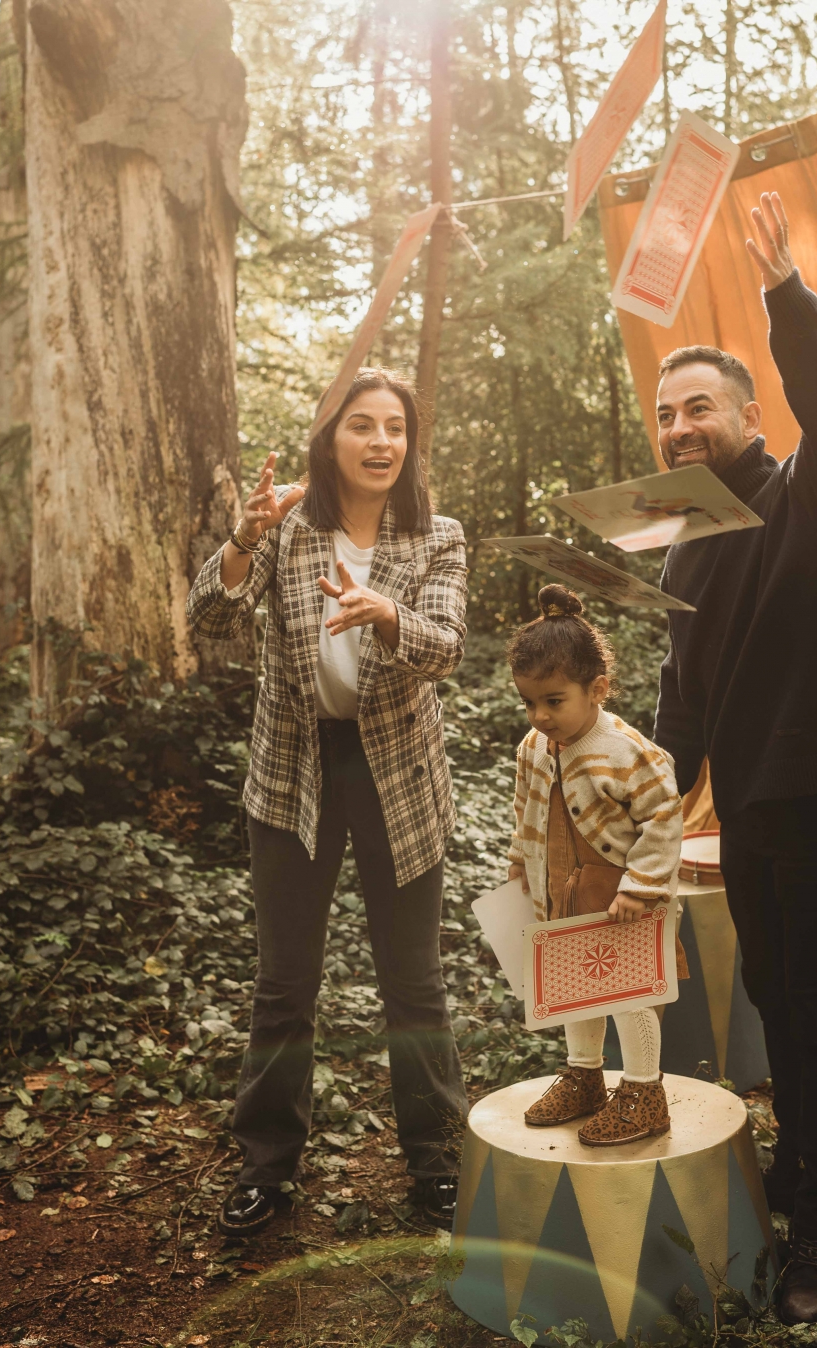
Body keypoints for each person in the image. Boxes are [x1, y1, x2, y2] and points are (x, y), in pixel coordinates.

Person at [186, 368, 469, 1236]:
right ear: (331, 438)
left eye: (395, 427)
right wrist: (241, 539)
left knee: (413, 984)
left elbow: (448, 648)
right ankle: (267, 1166)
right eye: (363, 426)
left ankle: (437, 1162)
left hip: (398, 775)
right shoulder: (287, 528)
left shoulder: (439, 537)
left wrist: (387, 613)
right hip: (292, 771)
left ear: (410, 444)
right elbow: (209, 620)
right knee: (284, 985)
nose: (382, 441)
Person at [653, 193, 817, 1326]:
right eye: (666, 413)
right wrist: (639, 808)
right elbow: (684, 698)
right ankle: (808, 1174)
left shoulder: (802, 495)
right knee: (782, 1005)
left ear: (749, 412)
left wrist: (785, 300)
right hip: (752, 822)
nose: (679, 428)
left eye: (700, 408)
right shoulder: (688, 537)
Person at [507, 584, 684, 1145]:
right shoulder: (533, 747)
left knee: (629, 992)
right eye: (529, 703)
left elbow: (664, 814)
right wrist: (519, 865)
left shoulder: (629, 751)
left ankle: (643, 1090)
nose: (539, 716)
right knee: (575, 985)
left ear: (598, 688)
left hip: (621, 898)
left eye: (554, 701)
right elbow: (525, 812)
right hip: (562, 888)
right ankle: (584, 1074)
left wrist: (644, 885)